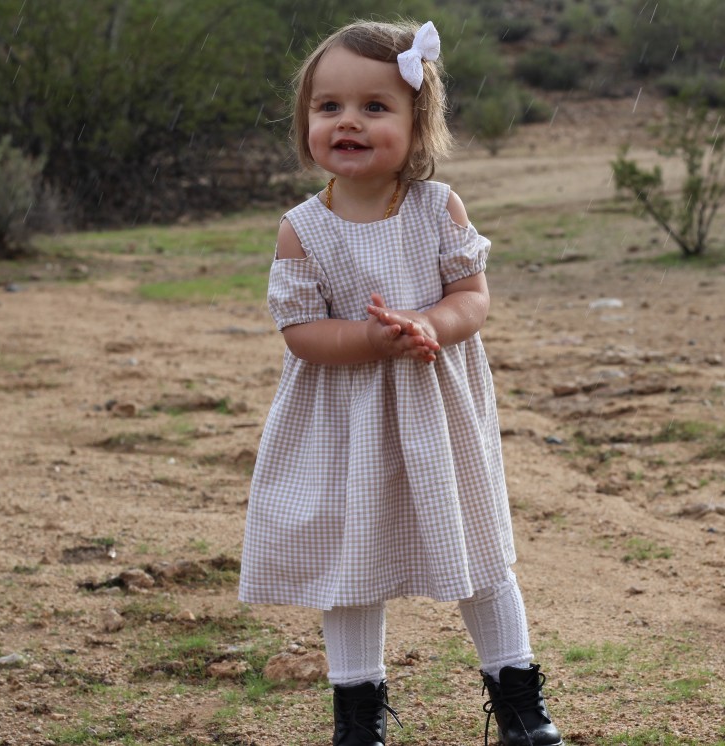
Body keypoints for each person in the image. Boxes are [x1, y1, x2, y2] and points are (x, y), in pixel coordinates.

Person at [238, 19, 563, 746]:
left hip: (434, 413)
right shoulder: (302, 229)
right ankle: (358, 719)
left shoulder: (436, 207)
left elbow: (472, 298)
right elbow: (299, 333)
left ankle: (521, 706)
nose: (348, 121)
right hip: (342, 422)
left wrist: (431, 324)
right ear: (307, 123)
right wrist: (367, 337)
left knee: (478, 551)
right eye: (329, 108)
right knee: (351, 563)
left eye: (375, 107)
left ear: (418, 125)